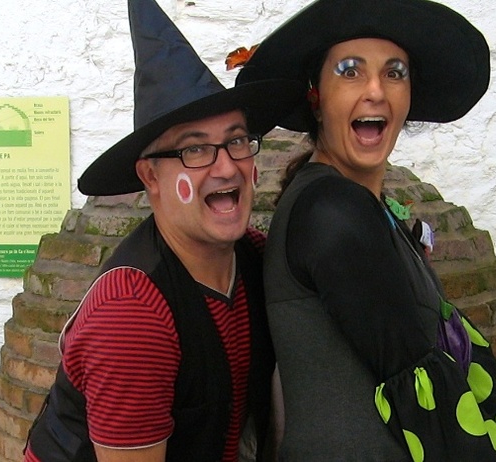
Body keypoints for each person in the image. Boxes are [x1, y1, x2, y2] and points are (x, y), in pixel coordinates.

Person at [234, 0, 496, 460]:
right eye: (350, 71)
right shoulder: (331, 210)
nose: (375, 91)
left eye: (394, 73)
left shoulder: (374, 210)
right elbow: (423, 385)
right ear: (317, 98)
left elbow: (454, 340)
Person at [22, 0, 303, 461]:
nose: (226, 167)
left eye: (236, 140)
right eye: (195, 150)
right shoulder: (132, 315)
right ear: (151, 176)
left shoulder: (255, 258)